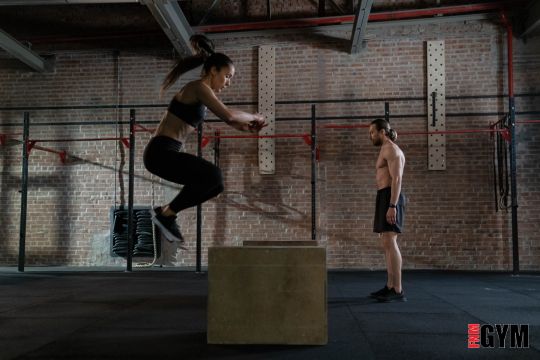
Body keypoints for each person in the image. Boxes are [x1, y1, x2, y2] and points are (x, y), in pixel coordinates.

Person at [143, 34, 266, 244]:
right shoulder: (198, 88)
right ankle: (166, 214)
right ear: (213, 70)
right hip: (160, 153)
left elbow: (231, 120)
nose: (228, 83)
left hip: (166, 153)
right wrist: (254, 116)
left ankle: (166, 213)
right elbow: (228, 115)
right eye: (227, 76)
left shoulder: (203, 92)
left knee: (215, 185)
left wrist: (246, 127)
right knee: (214, 175)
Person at [368, 118, 407, 302]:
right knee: (386, 243)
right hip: (384, 196)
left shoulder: (392, 149)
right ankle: (390, 285)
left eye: (373, 132)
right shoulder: (385, 149)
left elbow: (397, 179)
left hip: (391, 197)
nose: (371, 136)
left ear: (383, 132)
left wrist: (392, 205)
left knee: (391, 241)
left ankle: (398, 289)